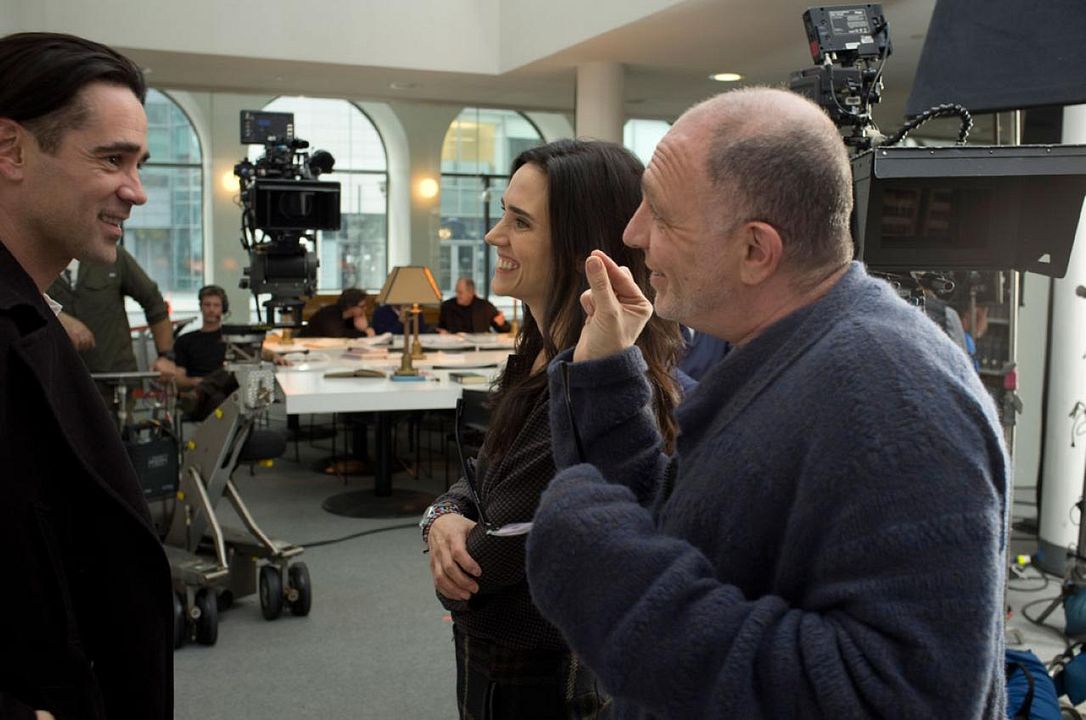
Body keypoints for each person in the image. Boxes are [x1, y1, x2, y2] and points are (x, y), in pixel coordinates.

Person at [523, 88, 1009, 718]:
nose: (633, 234)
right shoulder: (793, 350)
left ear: (756, 251)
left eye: (663, 217)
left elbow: (896, 698)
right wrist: (607, 379)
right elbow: (697, 529)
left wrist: (598, 563)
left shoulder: (897, 399)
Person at [421, 139, 683, 719]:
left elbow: (491, 557)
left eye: (520, 222)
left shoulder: (595, 387)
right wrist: (442, 515)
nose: (494, 236)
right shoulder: (535, 357)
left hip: (549, 675)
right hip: (498, 661)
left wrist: (453, 544)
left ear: (577, 248)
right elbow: (483, 479)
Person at [0, 31, 173, 719]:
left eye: (139, 164)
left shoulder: (29, 318)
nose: (135, 192)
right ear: (10, 149)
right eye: (111, 159)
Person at [47, 243, 178, 379]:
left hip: (114, 380)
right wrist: (56, 315)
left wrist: (166, 357)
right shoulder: (35, 261)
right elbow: (25, 301)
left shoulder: (111, 256)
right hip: (57, 379)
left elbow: (153, 301)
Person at [174, 284, 228, 390]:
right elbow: (179, 379)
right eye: (207, 305)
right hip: (196, 395)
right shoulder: (184, 341)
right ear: (201, 307)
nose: (211, 309)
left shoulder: (232, 339)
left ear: (223, 309)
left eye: (216, 305)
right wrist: (196, 382)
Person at [437, 276, 511, 334]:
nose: (457, 295)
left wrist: (501, 324)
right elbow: (439, 329)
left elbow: (505, 329)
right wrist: (442, 332)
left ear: (471, 292)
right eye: (456, 292)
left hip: (479, 348)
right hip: (454, 347)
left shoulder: (485, 307)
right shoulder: (447, 306)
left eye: (460, 292)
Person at [297, 287, 375, 338]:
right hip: (309, 347)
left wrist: (363, 328)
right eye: (362, 306)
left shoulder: (352, 318)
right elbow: (337, 335)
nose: (365, 308)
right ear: (350, 306)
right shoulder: (330, 313)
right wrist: (364, 334)